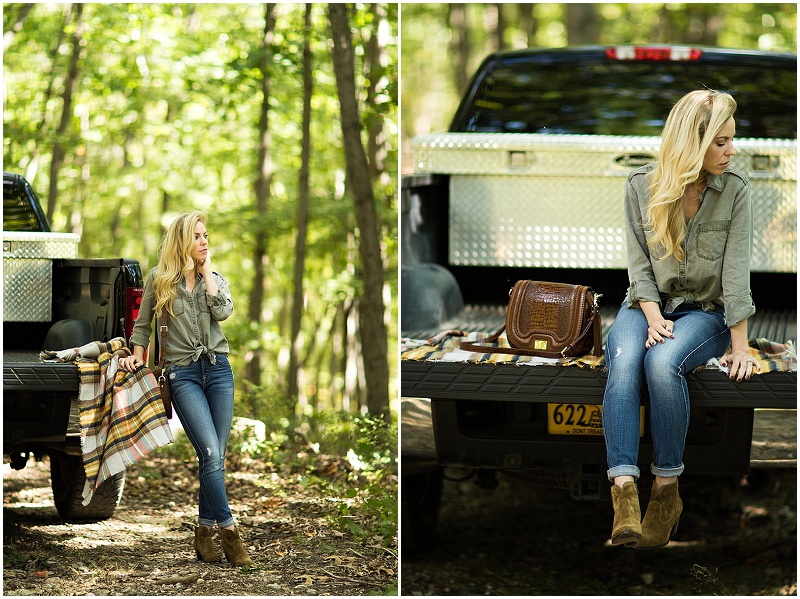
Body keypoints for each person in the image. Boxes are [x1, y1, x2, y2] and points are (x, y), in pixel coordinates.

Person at [603, 90, 758, 549]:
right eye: (721, 142)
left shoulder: (734, 192)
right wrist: (651, 316)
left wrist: (740, 344)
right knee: (626, 359)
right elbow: (639, 267)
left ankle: (666, 491)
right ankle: (624, 496)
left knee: (661, 363)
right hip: (646, 305)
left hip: (703, 313)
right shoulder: (640, 186)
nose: (732, 151)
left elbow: (735, 273)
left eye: (732, 140)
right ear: (693, 143)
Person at [119, 211, 253, 567]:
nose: (204, 242)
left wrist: (207, 273)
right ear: (181, 241)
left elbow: (224, 313)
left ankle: (203, 535)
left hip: (220, 372)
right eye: (197, 237)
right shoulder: (159, 281)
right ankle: (230, 534)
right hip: (183, 376)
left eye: (206, 235)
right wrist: (136, 354)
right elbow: (142, 325)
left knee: (215, 458)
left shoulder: (216, 279)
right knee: (210, 452)